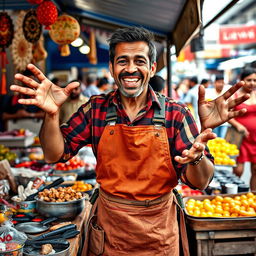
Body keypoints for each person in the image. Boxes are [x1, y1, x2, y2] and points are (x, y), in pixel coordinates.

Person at [10, 27, 250, 256]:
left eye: (139, 61)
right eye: (123, 61)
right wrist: (51, 114)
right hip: (109, 231)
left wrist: (198, 155)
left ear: (152, 67)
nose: (131, 68)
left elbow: (200, 182)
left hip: (159, 232)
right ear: (112, 67)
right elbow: (54, 154)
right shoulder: (96, 109)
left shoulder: (175, 113)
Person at [228, 68, 256, 190]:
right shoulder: (235, 96)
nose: (252, 83)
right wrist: (238, 125)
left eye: (255, 80)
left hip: (255, 138)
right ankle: (237, 195)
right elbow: (226, 115)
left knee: (255, 169)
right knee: (238, 170)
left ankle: (253, 196)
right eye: (248, 80)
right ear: (242, 80)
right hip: (240, 138)